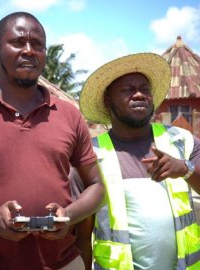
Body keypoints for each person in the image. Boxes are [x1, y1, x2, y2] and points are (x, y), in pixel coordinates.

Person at [0, 12, 105, 270]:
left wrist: (69, 215)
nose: (29, 51)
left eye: (37, 45)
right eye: (18, 42)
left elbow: (97, 186)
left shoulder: (68, 114)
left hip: (64, 263)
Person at [77, 53, 200, 270]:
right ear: (107, 100)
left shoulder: (182, 141)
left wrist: (185, 169)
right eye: (127, 89)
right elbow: (82, 237)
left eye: (145, 89)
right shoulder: (91, 156)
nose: (139, 95)